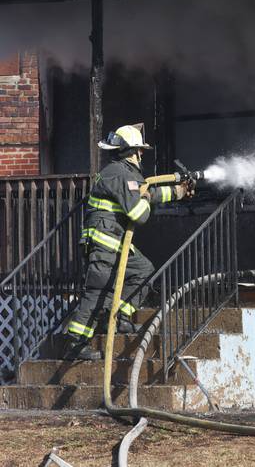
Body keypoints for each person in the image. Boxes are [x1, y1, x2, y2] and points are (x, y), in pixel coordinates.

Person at [61, 123, 189, 360]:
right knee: (98, 290)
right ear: (130, 151)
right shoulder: (120, 174)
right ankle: (75, 343)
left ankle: (119, 317)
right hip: (104, 242)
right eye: (139, 150)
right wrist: (148, 198)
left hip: (115, 241)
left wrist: (177, 192)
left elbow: (144, 194)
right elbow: (139, 213)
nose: (141, 154)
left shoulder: (122, 174)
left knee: (143, 270)